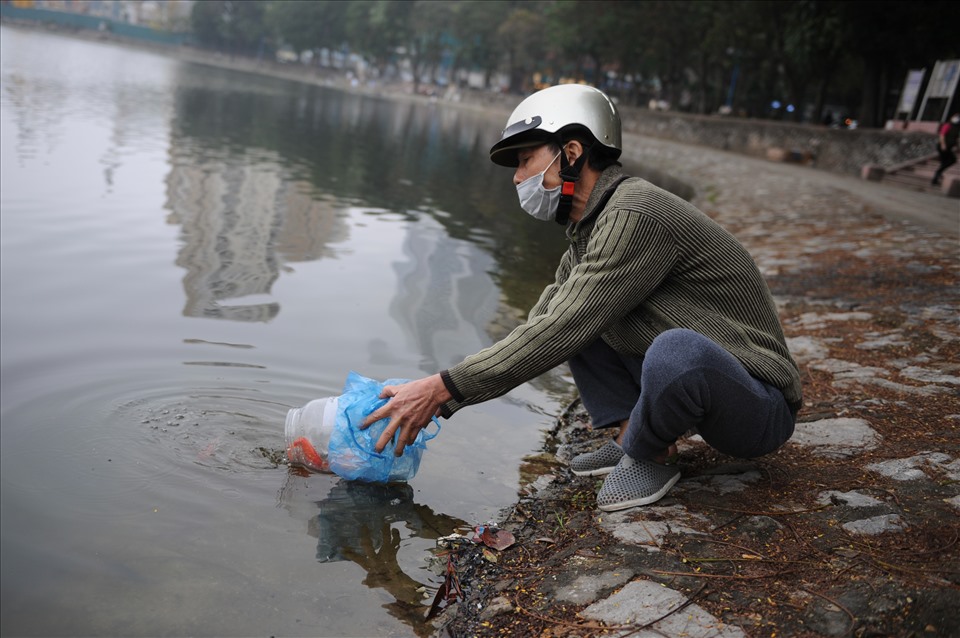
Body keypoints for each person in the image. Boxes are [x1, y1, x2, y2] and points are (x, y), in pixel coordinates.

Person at [362, 84, 802, 511]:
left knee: (669, 348)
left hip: (757, 407)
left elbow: (561, 327)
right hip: (711, 388)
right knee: (572, 318)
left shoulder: (636, 213)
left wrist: (440, 390)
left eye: (525, 160)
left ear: (571, 153)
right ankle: (634, 433)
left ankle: (647, 455)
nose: (517, 177)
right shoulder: (588, 233)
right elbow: (542, 326)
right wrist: (442, 392)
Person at [931, 113, 960, 186]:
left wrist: (956, 146)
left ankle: (937, 176)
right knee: (950, 160)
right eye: (955, 117)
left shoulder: (956, 128)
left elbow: (955, 138)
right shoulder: (947, 125)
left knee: (948, 161)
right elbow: (942, 135)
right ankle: (937, 175)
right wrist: (943, 145)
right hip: (943, 146)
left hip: (949, 147)